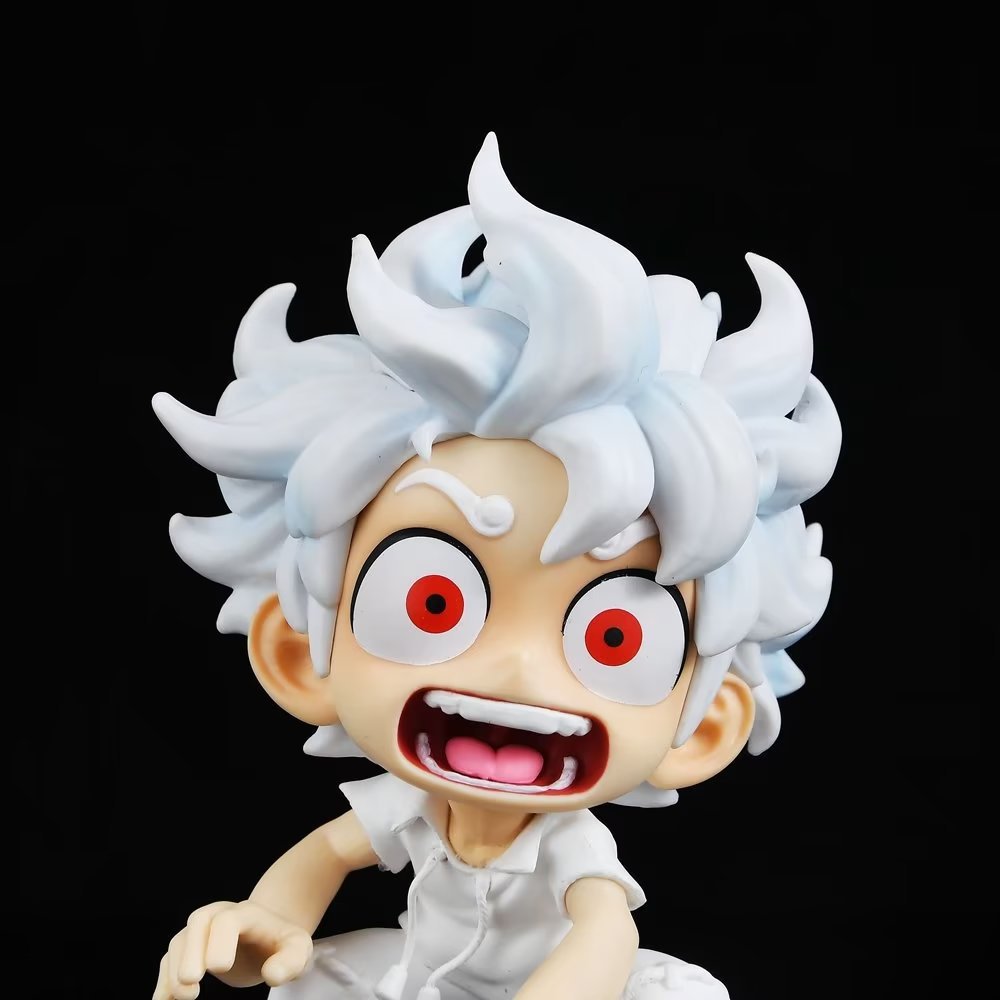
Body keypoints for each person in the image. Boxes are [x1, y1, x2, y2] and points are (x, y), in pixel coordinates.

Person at [151, 132, 840, 1000]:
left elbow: (606, 932)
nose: (514, 669)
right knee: (313, 978)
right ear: (299, 656)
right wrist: (273, 921)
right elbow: (325, 854)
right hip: (419, 979)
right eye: (433, 603)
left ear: (703, 729)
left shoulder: (566, 846)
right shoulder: (411, 811)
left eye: (614, 637)